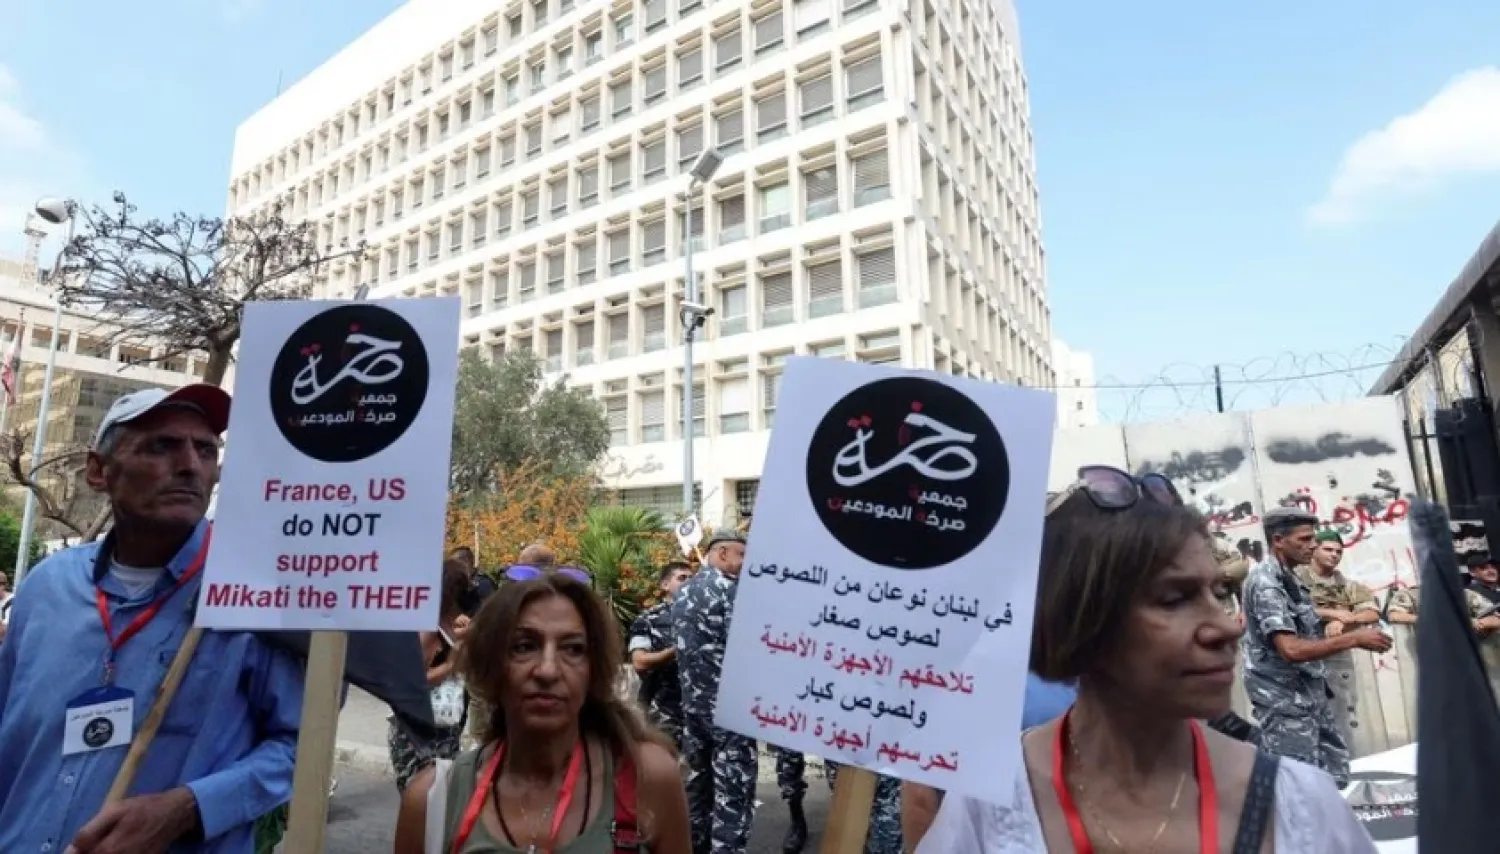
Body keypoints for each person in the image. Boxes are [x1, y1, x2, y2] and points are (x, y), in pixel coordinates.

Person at [916, 466, 1376, 852]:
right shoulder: (990, 805)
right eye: (1174, 598)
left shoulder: (1300, 806)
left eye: (1217, 593)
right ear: (1083, 618)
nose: (1225, 626)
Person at [0, 385, 305, 854]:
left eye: (206, 449)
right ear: (98, 471)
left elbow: (301, 745)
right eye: (160, 446)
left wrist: (190, 808)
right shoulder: (45, 588)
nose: (190, 465)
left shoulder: (256, 592)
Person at [392, 573, 691, 854]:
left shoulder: (647, 778)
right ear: (491, 666)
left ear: (593, 670)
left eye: (573, 649)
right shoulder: (433, 802)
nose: (548, 670)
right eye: (524, 646)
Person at [1243, 506, 1390, 786]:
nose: (1313, 546)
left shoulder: (1291, 578)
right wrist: (1355, 639)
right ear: (1278, 540)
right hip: (1285, 700)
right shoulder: (1267, 584)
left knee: (1332, 774)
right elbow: (1291, 649)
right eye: (1304, 539)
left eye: (1313, 539)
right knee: (1298, 784)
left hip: (1309, 693)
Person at [674, 528, 756, 854]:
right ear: (722, 554)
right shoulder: (734, 592)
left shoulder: (683, 592)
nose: (745, 564)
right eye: (741, 556)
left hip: (693, 710)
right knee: (732, 795)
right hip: (730, 712)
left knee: (699, 786)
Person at [389, 558, 473, 792]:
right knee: (423, 803)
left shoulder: (453, 621)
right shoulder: (427, 628)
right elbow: (413, 681)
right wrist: (451, 664)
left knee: (440, 807)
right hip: (418, 734)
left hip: (445, 730)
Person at [628, 561, 693, 749]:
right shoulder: (649, 619)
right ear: (664, 585)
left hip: (701, 711)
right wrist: (675, 650)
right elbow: (639, 662)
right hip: (665, 710)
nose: (688, 583)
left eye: (692, 579)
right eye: (682, 578)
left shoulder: (706, 617)